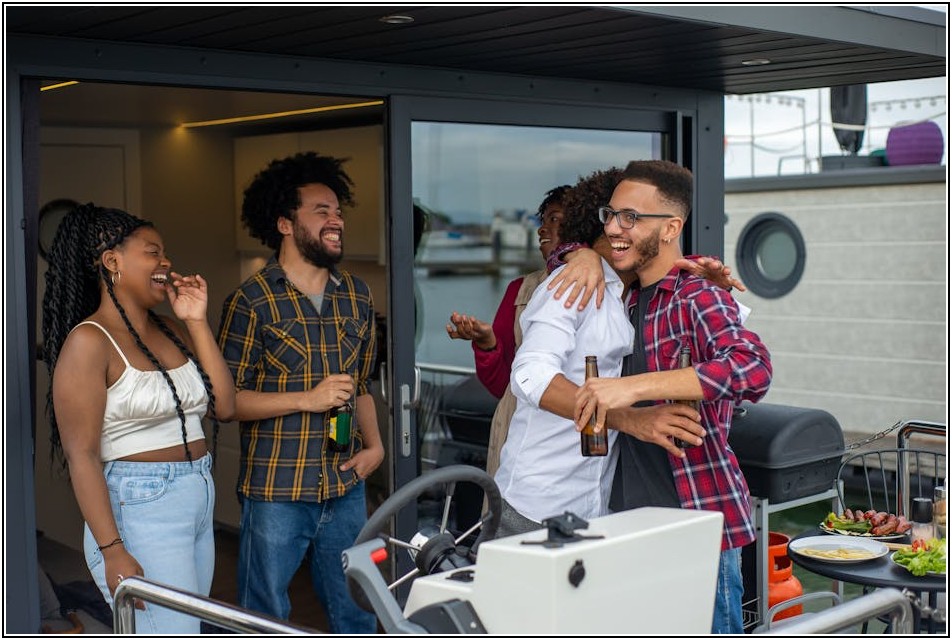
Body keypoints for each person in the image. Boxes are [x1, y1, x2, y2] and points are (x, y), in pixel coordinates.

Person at [573, 160, 772, 634]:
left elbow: (753, 367)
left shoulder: (697, 294)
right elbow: (561, 246)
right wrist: (577, 253)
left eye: (629, 217)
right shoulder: (625, 296)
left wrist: (632, 388)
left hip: (697, 525)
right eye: (610, 214)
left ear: (670, 229)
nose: (613, 228)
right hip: (626, 520)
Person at [41, 203, 236, 634]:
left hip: (197, 498)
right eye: (153, 252)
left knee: (188, 629)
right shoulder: (89, 342)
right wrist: (112, 550)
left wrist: (197, 321)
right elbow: (82, 455)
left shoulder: (173, 329)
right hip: (141, 509)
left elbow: (224, 405)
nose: (166, 263)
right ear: (112, 261)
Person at [217, 151, 383, 634]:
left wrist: (375, 447)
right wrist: (307, 400)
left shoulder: (357, 294)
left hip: (346, 484)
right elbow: (226, 403)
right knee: (263, 616)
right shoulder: (251, 300)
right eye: (321, 211)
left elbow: (363, 386)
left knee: (358, 609)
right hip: (276, 492)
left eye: (337, 211)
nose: (336, 220)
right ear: (286, 224)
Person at [494, 168, 635, 537]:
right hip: (537, 506)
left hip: (591, 504)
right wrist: (630, 420)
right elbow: (530, 376)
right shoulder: (575, 281)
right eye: (627, 217)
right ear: (604, 224)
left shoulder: (628, 290)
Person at [446, 185, 570, 477]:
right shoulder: (521, 290)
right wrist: (488, 344)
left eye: (555, 219)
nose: (542, 229)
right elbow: (503, 387)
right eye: (544, 220)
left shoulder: (611, 287)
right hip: (520, 438)